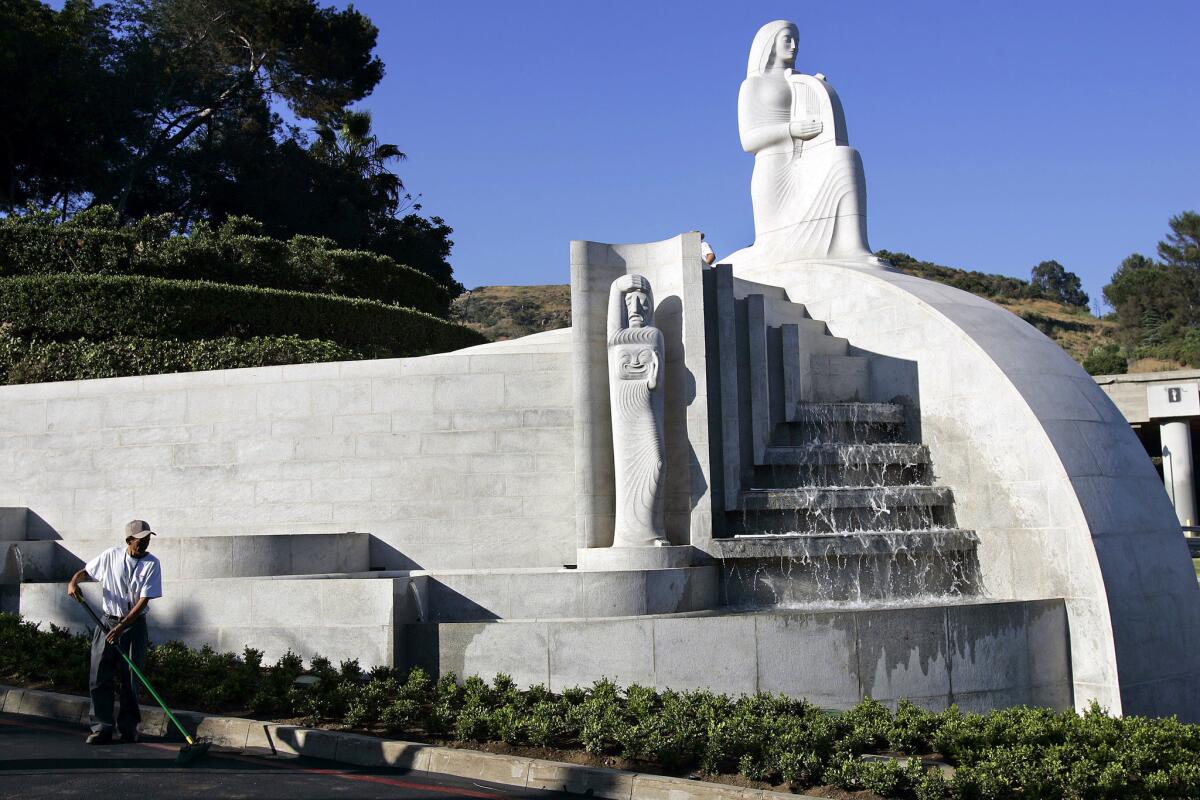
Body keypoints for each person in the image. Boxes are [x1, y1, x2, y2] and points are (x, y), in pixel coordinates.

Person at [67, 520, 163, 745]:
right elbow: (86, 572)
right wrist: (73, 582)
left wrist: (123, 626)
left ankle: (128, 728)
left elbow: (143, 601)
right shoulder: (111, 555)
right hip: (107, 622)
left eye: (148, 538)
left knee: (131, 678)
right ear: (129, 540)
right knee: (100, 676)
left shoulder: (152, 564)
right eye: (141, 539)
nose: (146, 542)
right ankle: (102, 728)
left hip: (134, 625)